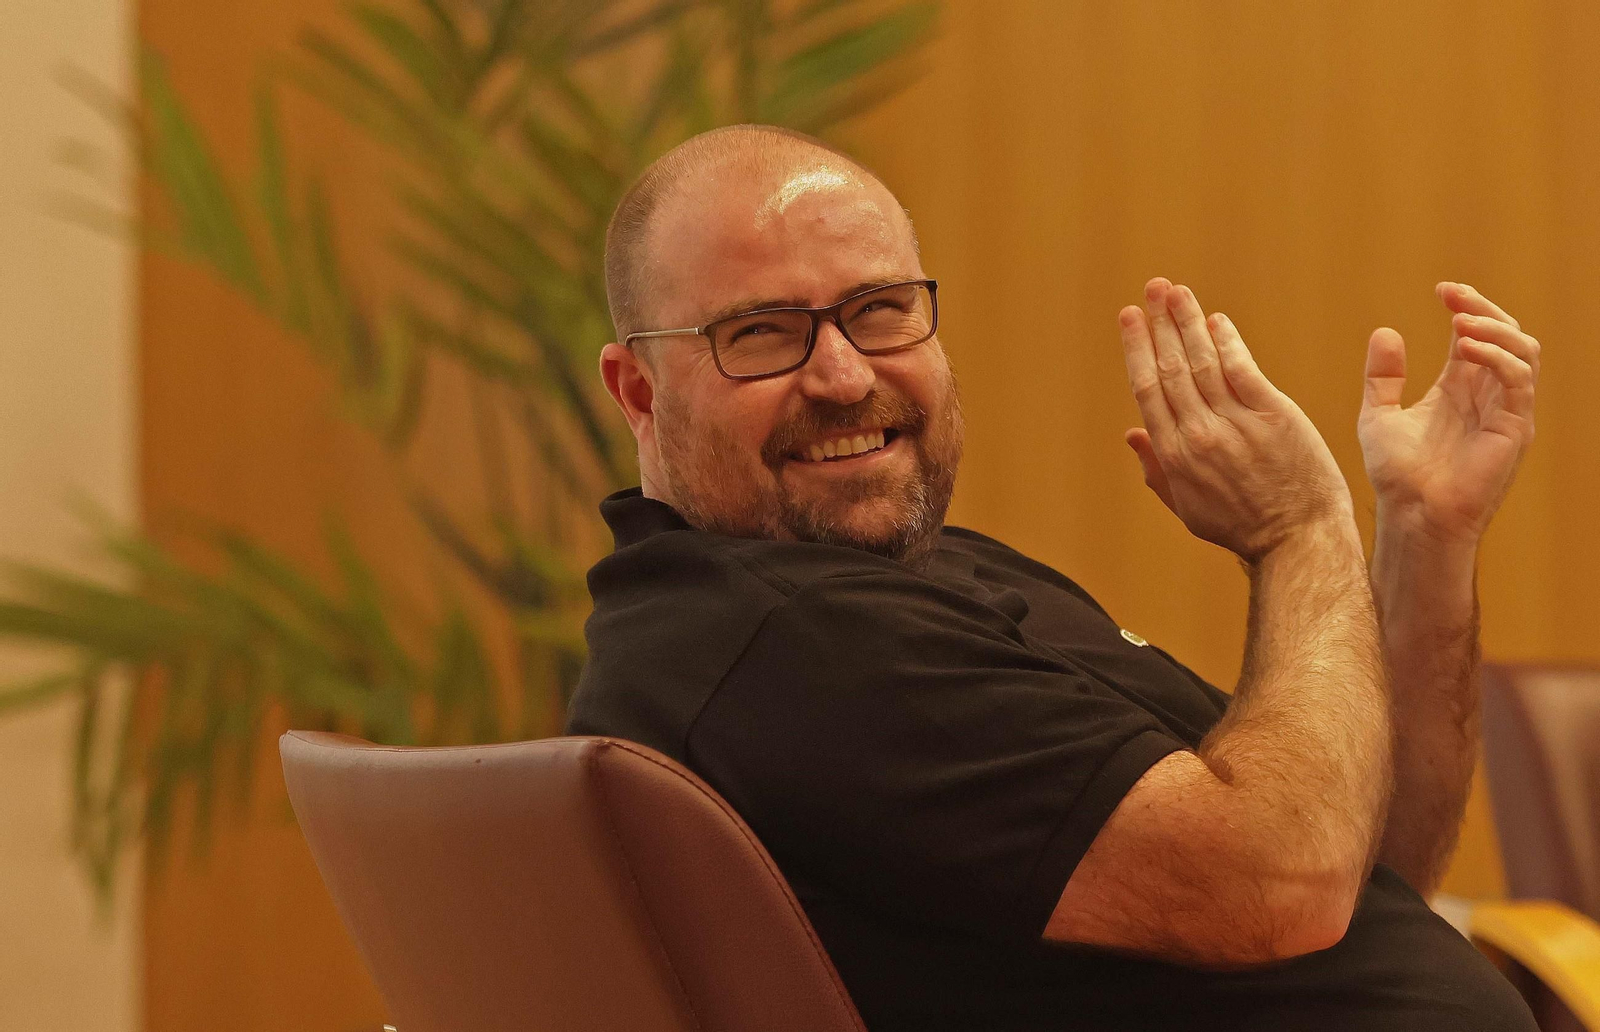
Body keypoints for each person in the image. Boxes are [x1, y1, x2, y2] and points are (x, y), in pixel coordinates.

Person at [565, 124, 1542, 1031]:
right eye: (764, 334)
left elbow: (1360, 858)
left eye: (880, 313)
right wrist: (1299, 529)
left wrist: (1425, 533)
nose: (845, 376)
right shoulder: (784, 645)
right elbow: (1277, 886)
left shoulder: (917, 581)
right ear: (639, 391)